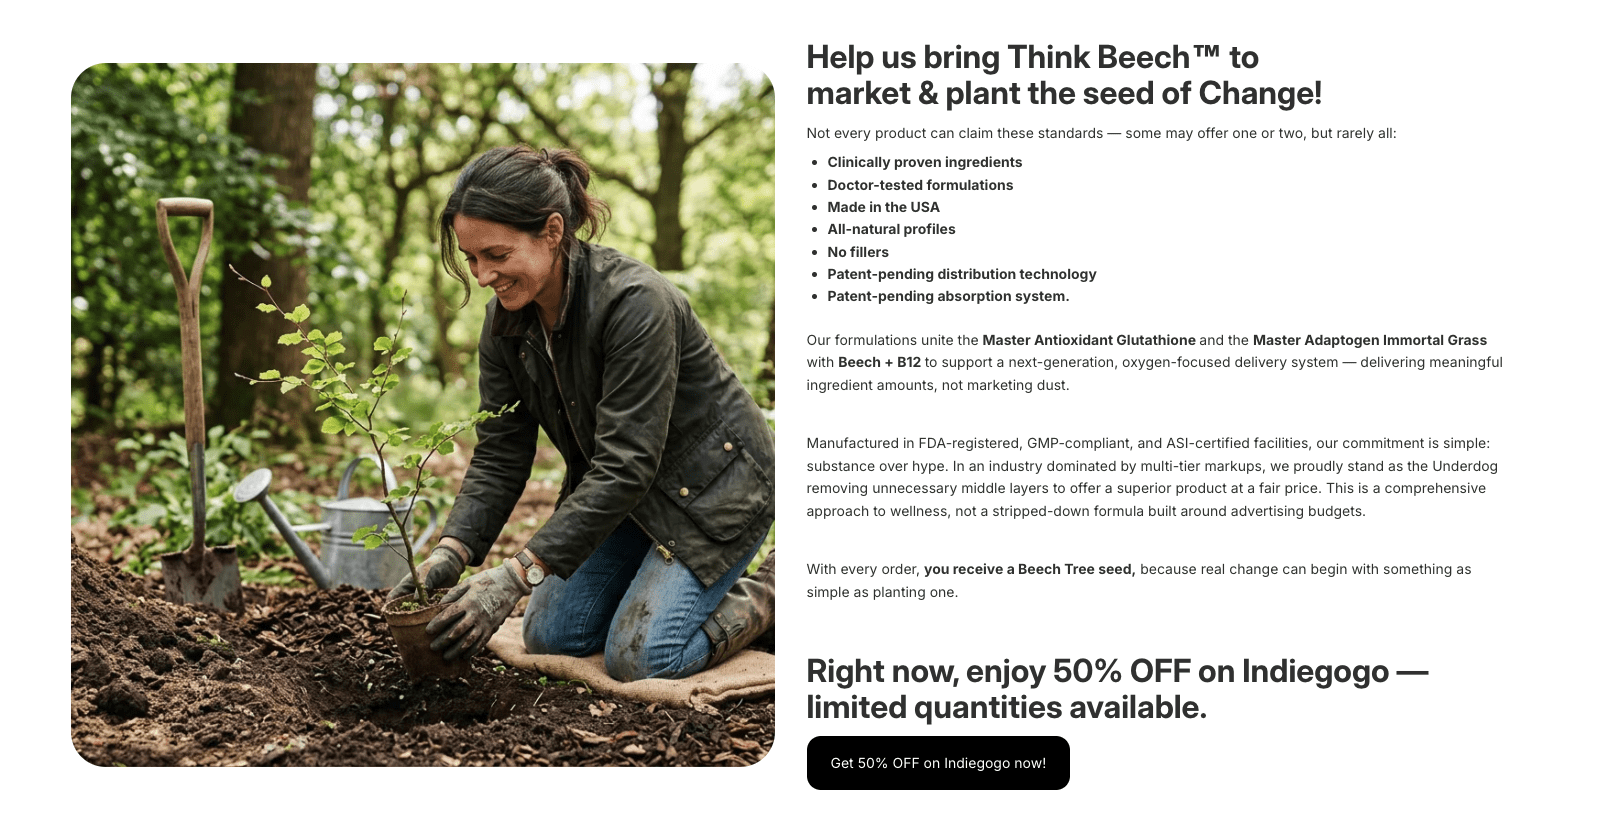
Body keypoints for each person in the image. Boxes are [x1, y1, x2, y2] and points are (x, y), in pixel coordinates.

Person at [385, 145, 775, 682]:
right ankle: (666, 587)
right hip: (628, 504)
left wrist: (517, 575)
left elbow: (625, 465)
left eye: (496, 255)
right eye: (472, 258)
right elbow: (502, 449)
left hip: (717, 494)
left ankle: (774, 591)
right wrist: (453, 550)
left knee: (641, 658)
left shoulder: (636, 303)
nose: (481, 276)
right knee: (551, 635)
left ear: (551, 231)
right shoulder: (506, 322)